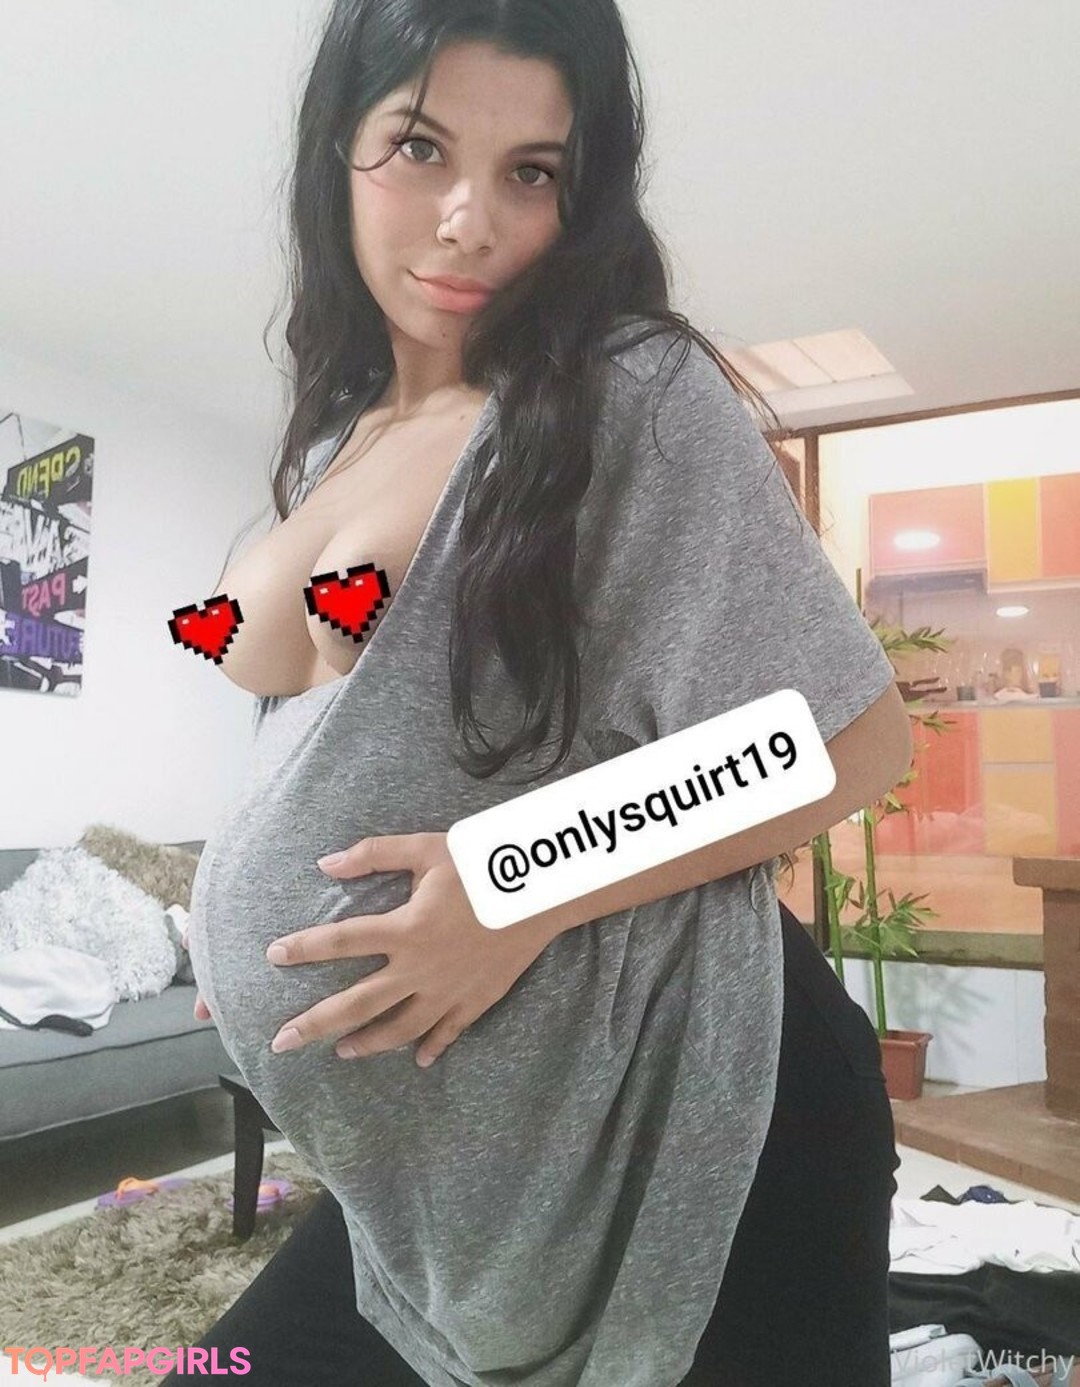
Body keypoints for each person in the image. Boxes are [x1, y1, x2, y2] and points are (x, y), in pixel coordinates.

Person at [177, 2, 913, 1383]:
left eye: (532, 171)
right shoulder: (339, 436)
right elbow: (321, 722)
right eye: (420, 147)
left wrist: (513, 881)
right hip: (454, 1182)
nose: (470, 221)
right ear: (337, 151)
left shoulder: (625, 390)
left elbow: (853, 742)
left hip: (702, 1128)